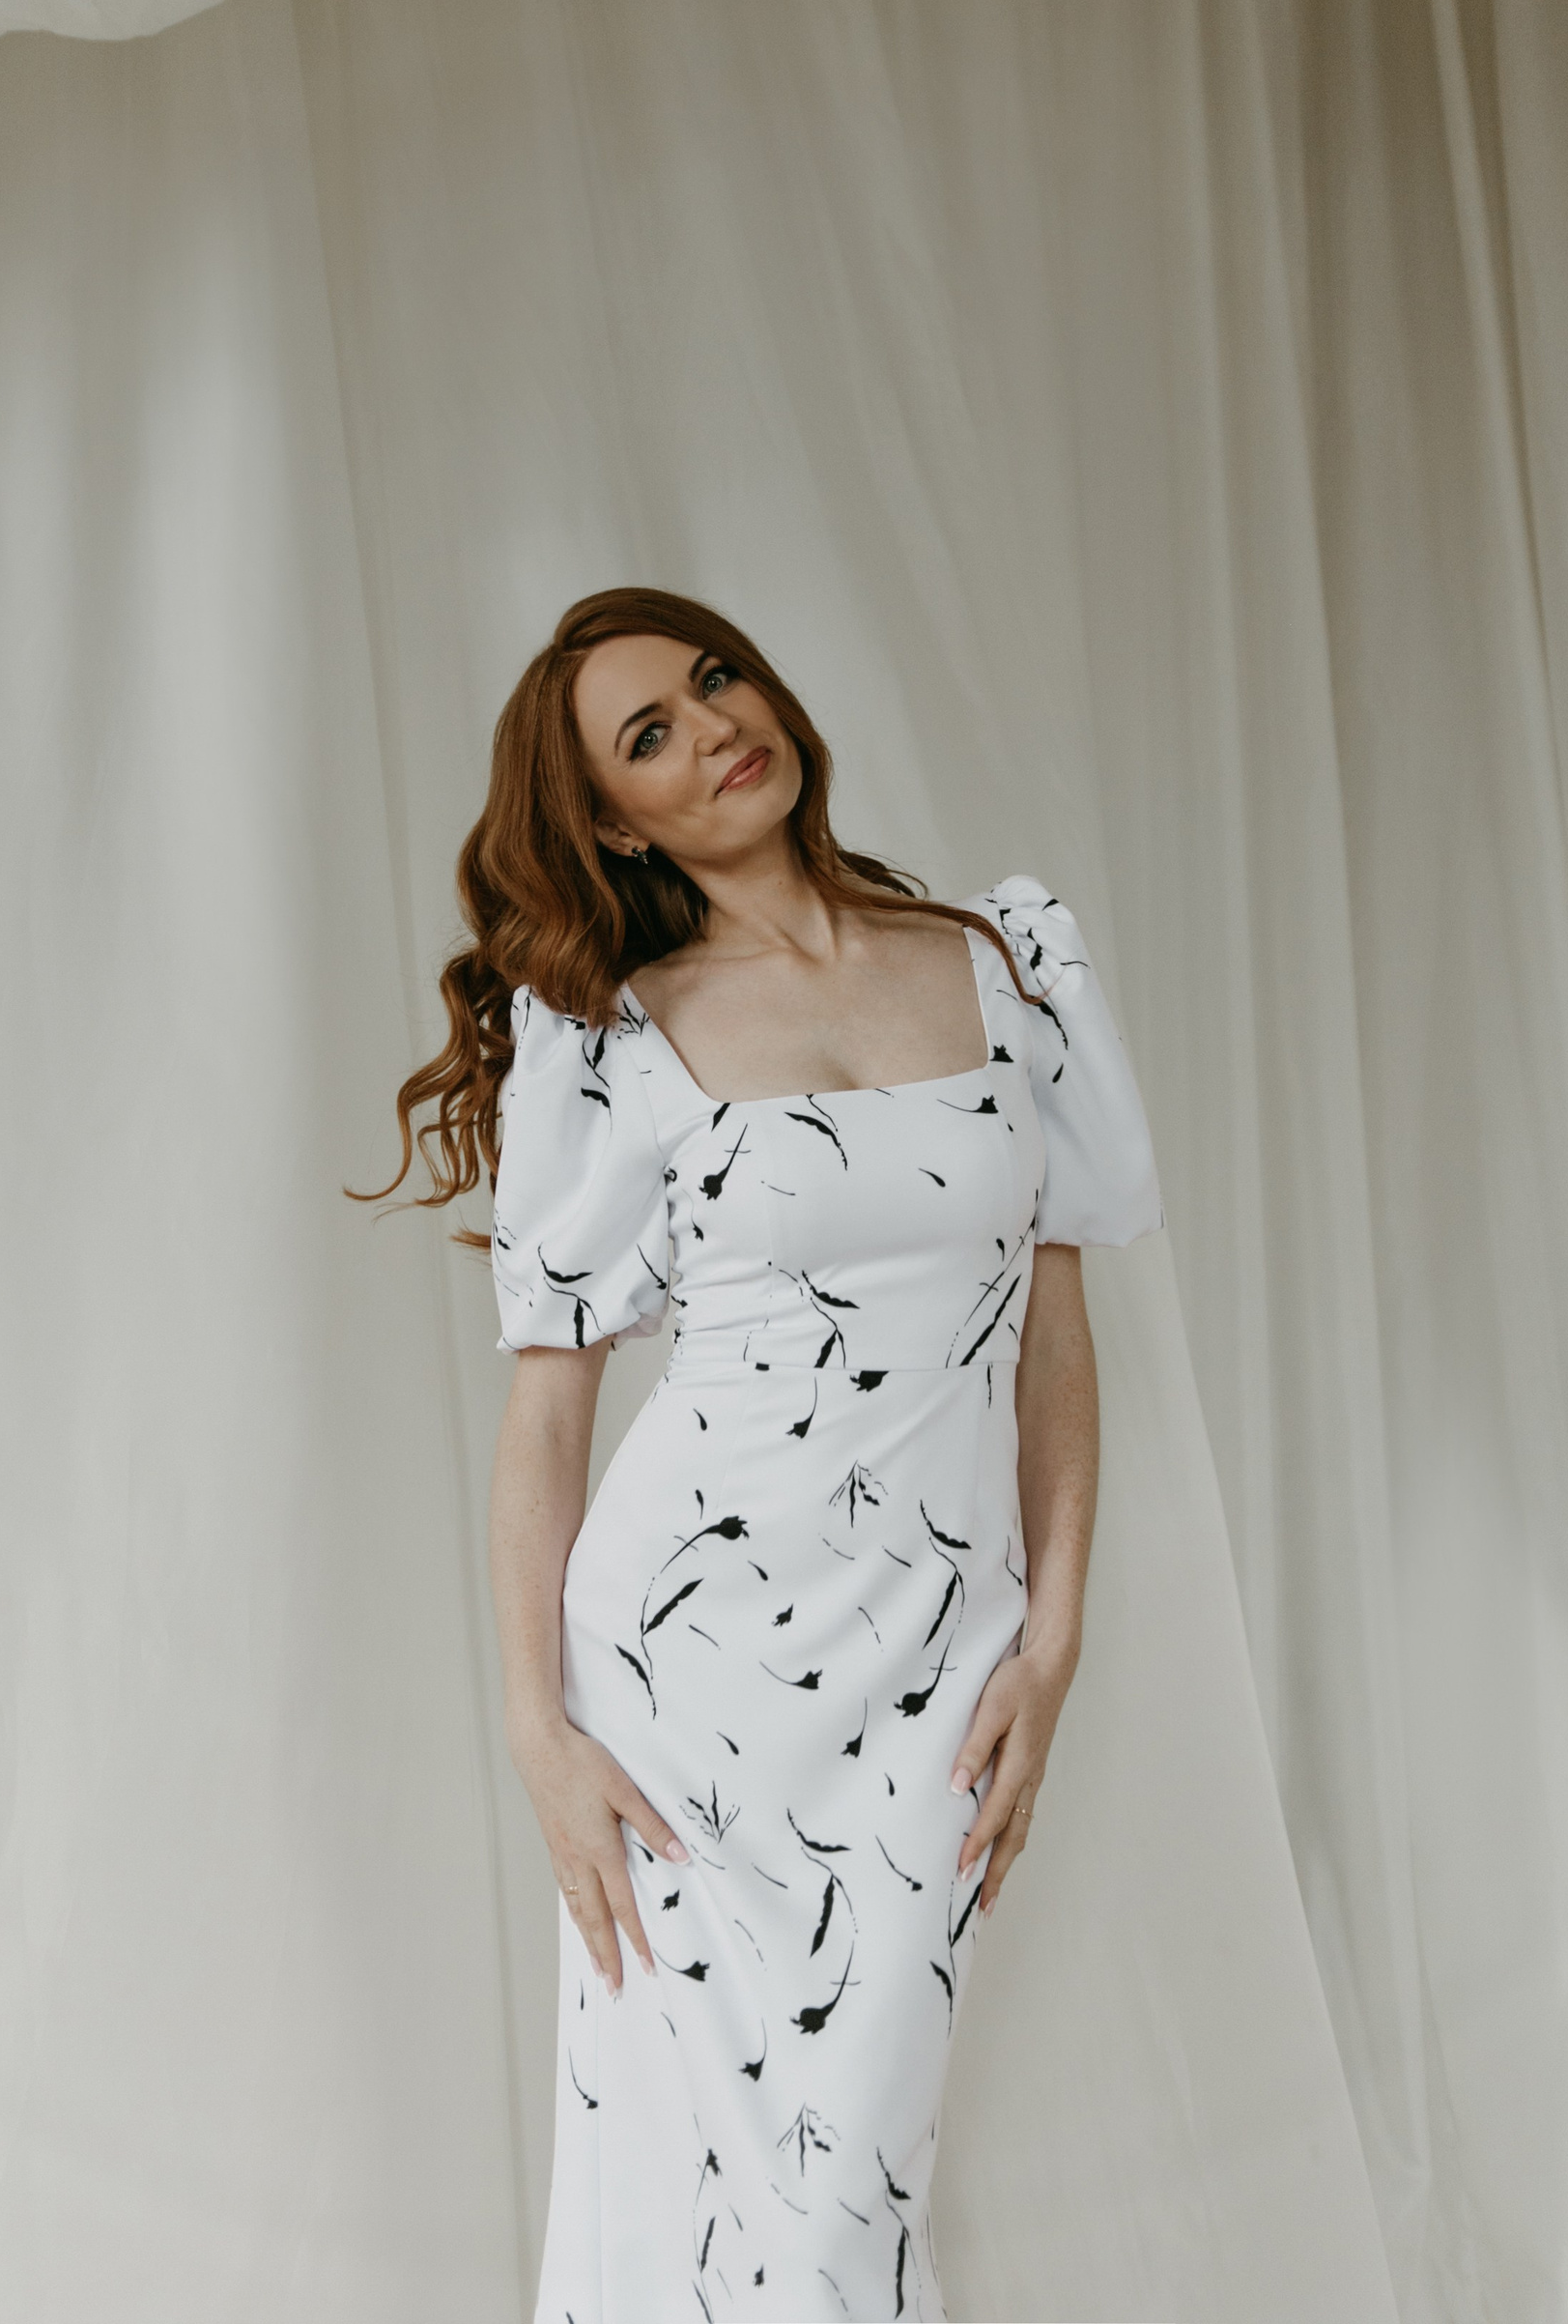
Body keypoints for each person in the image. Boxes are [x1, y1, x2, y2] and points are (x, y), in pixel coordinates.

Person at [357, 586, 1163, 2322]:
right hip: (682, 1673)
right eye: (649, 734)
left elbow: (1055, 1338)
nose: (714, 727)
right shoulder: (612, 1034)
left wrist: (1053, 1640)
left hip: (936, 1659)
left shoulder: (1002, 961)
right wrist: (538, 1731)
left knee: (857, 2174)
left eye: (715, 678)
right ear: (609, 821)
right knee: (715, 2186)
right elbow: (548, 1418)